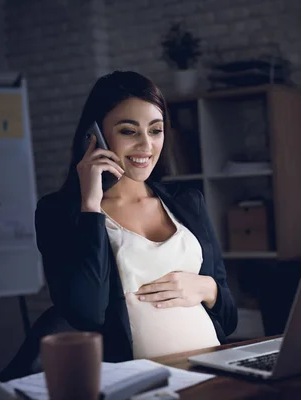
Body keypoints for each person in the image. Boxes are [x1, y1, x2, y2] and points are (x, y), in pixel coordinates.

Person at [34, 70, 238, 361]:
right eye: (129, 131)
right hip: (140, 385)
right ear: (95, 137)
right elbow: (87, 314)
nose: (146, 145)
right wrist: (91, 204)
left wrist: (208, 288)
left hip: (213, 375)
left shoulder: (189, 203)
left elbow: (229, 319)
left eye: (155, 130)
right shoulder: (59, 213)